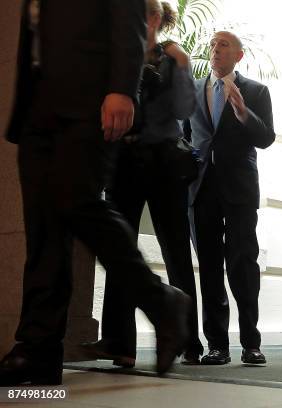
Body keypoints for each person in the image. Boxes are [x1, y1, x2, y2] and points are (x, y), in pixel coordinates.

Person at [0, 0, 190, 385]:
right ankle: (38, 349)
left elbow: (127, 12)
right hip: (37, 103)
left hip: (90, 95)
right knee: (43, 229)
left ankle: (162, 301)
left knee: (78, 202)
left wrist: (122, 87)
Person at [80, 0, 203, 367]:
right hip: (124, 162)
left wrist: (181, 66)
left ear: (159, 19)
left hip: (164, 164)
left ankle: (189, 341)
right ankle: (121, 345)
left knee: (176, 252)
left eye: (149, 12)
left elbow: (184, 111)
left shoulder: (172, 57)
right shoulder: (122, 54)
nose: (141, 17)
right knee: (121, 246)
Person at [187, 30, 275, 365]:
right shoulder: (193, 90)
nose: (215, 49)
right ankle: (217, 346)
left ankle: (251, 342)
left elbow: (266, 137)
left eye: (223, 44)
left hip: (238, 190)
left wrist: (243, 113)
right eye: (212, 44)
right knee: (209, 267)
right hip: (201, 189)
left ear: (238, 55)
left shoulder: (256, 90)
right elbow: (185, 135)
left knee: (242, 265)